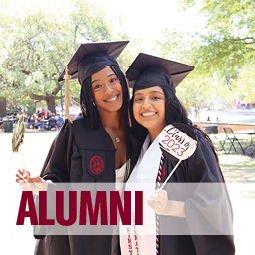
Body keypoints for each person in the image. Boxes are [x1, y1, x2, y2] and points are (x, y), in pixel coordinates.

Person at [15, 41, 137, 255]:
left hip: (129, 234)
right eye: (97, 86)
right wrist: (44, 187)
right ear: (89, 93)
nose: (108, 90)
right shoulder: (75, 131)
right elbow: (56, 178)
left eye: (112, 80)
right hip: (81, 239)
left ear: (122, 80)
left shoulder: (138, 130)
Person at [119, 53, 235, 255]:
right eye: (139, 99)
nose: (146, 105)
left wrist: (170, 207)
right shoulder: (140, 146)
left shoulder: (190, 143)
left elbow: (215, 205)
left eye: (155, 97)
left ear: (169, 101)